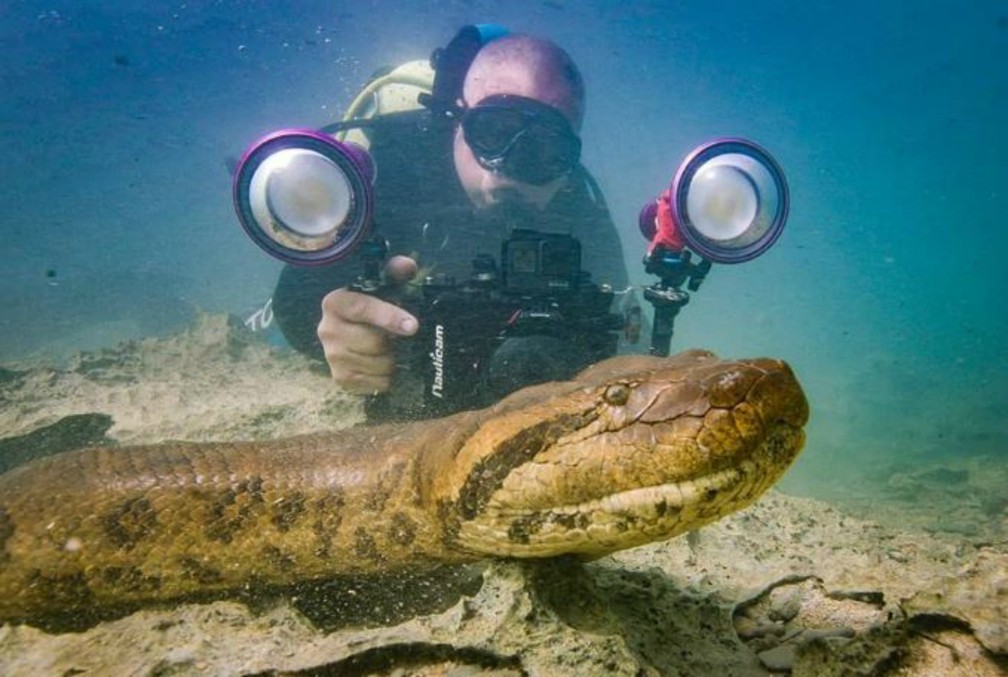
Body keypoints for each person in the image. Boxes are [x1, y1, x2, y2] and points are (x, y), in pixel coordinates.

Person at [270, 28, 629, 418]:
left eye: (543, 151)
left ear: (569, 157)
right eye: (491, 132)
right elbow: (295, 300)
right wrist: (335, 332)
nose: (501, 176)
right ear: (457, 117)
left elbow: (621, 331)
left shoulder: (581, 212)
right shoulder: (395, 162)